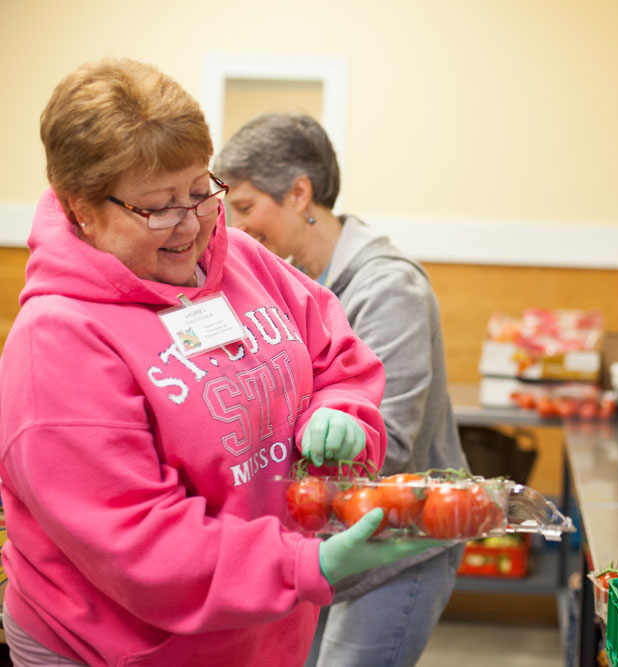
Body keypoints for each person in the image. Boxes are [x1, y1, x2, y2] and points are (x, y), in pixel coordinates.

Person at [0, 59, 441, 667]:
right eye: (159, 207)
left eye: (201, 190)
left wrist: (340, 411)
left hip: (260, 631)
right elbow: (139, 544)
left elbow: (335, 355)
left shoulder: (242, 263)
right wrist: (299, 563)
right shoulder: (57, 341)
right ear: (81, 210)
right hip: (130, 648)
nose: (193, 224)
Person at [213, 113, 469, 667]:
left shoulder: (388, 287)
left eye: (246, 206)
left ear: (299, 192)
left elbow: (389, 442)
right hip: (327, 538)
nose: (234, 227)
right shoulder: (288, 280)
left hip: (398, 544)